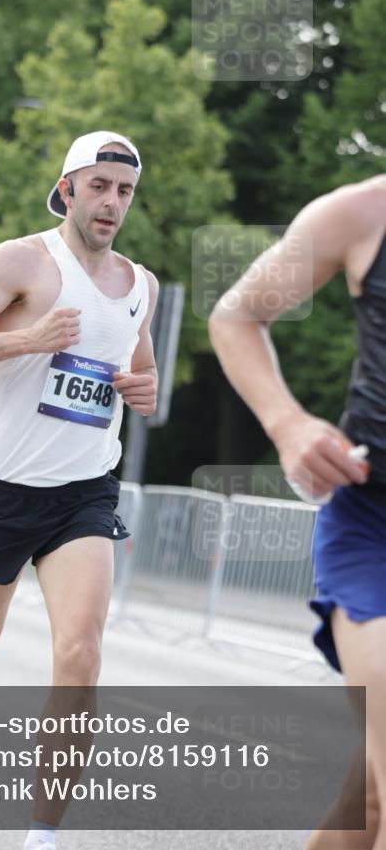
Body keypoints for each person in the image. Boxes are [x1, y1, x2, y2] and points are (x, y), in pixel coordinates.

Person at [0, 131, 159, 850]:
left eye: (124, 191)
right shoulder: (22, 261)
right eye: (99, 185)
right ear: (67, 188)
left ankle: (41, 837)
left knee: (80, 654)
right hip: (1, 491)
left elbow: (139, 367)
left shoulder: (141, 286)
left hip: (83, 495)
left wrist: (143, 388)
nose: (111, 202)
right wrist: (27, 339)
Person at [208, 174, 386, 849]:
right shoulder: (360, 214)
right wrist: (286, 423)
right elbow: (235, 315)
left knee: (367, 801)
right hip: (374, 530)